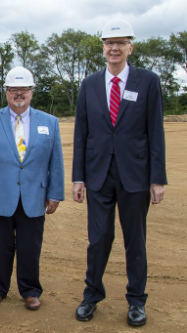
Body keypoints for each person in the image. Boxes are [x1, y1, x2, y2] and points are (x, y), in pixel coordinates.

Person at [72, 18, 167, 327]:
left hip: (136, 176)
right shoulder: (88, 84)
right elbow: (81, 133)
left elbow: (155, 131)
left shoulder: (148, 81)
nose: (114, 48)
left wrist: (158, 179)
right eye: (109, 43)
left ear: (130, 47)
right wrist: (78, 177)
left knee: (135, 242)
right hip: (98, 175)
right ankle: (91, 296)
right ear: (103, 49)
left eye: (120, 42)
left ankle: (137, 301)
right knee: (98, 239)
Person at [0, 66, 64, 310]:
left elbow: (56, 161)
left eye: (23, 89)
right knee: (0, 246)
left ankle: (31, 290)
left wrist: (55, 194)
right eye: (13, 89)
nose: (18, 93)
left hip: (35, 196)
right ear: (6, 92)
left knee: (30, 247)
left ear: (32, 92)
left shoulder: (50, 122)